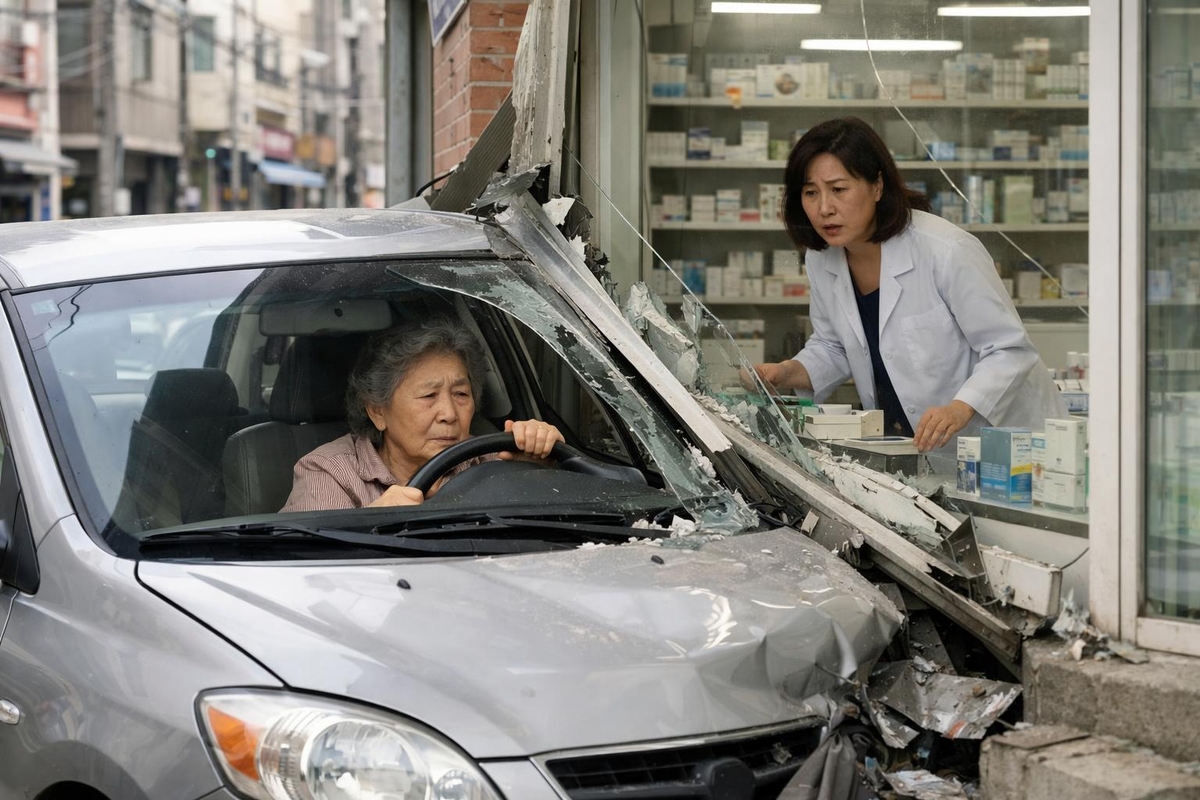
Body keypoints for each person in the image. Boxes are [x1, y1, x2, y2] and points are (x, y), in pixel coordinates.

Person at [753, 117, 1067, 452]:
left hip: (1007, 444)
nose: (824, 208)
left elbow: (1009, 350)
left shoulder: (945, 250)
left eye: (838, 189)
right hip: (910, 445)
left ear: (877, 186)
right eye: (810, 193)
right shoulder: (823, 258)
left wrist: (960, 407)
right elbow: (836, 347)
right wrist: (786, 372)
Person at [281, 319, 563, 511]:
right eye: (429, 396)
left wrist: (538, 469)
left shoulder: (495, 460)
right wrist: (368, 523)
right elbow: (312, 570)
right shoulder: (329, 472)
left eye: (461, 394)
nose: (449, 414)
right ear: (378, 411)